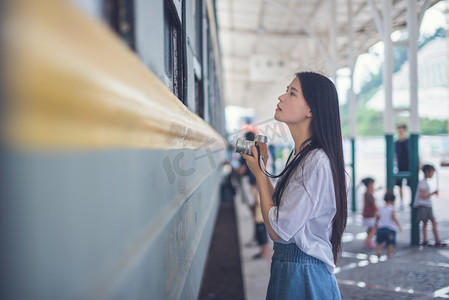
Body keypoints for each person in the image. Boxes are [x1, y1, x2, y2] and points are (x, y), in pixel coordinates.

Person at [241, 72, 346, 299]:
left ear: (311, 110)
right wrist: (262, 168)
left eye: (292, 93)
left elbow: (278, 230)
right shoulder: (301, 156)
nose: (281, 97)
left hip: (304, 275)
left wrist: (260, 174)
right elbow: (278, 215)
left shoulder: (315, 161)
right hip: (294, 270)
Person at [414, 164, 446, 246]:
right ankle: (437, 240)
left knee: (425, 223)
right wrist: (432, 193)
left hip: (425, 205)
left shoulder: (423, 182)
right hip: (425, 205)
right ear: (427, 172)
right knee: (433, 222)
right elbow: (422, 195)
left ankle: (425, 240)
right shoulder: (423, 183)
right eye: (432, 172)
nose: (433, 174)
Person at [375, 190, 402, 259]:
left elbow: (377, 217)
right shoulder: (392, 208)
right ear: (393, 200)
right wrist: (399, 226)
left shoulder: (380, 208)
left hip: (380, 228)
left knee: (379, 242)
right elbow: (394, 217)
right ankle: (390, 253)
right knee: (390, 243)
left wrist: (376, 225)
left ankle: (379, 251)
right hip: (390, 229)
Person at [395, 124, 409, 210]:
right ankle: (401, 202)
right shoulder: (396, 143)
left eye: (402, 130)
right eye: (399, 130)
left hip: (408, 165)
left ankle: (411, 201)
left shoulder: (409, 141)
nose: (400, 132)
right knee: (399, 186)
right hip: (399, 166)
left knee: (411, 185)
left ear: (405, 131)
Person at [361, 177, 377, 249]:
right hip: (370, 214)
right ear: (369, 185)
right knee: (374, 229)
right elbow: (373, 204)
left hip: (366, 214)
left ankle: (368, 241)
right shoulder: (369, 194)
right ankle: (367, 240)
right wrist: (378, 210)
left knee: (370, 228)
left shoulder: (366, 193)